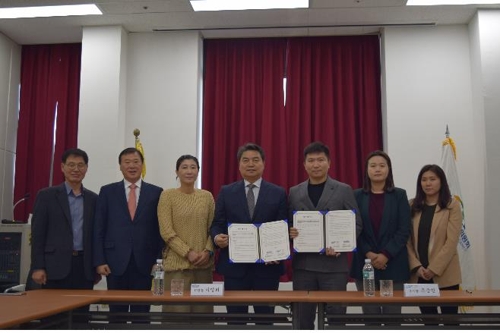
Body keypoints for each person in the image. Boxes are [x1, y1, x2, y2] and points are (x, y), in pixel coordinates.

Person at [288, 141, 362, 330]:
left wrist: (341, 245)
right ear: (304, 165)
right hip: (304, 267)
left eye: (321, 160)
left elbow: (356, 223)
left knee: (337, 320)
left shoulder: (343, 189)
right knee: (302, 320)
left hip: (334, 266)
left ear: (329, 163)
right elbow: (288, 224)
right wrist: (290, 232)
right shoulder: (294, 192)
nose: (316, 164)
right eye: (311, 160)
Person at [210, 143, 288, 320]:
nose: (250, 164)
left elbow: (284, 227)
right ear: (239, 164)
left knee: (265, 320)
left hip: (267, 269)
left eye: (255, 160)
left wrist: (278, 250)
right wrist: (217, 238)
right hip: (235, 268)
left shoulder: (278, 193)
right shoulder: (226, 192)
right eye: (245, 160)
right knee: (236, 320)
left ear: (264, 163)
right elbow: (217, 223)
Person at [93, 147, 163, 316]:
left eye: (136, 162)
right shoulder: (107, 191)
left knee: (142, 315)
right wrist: (99, 261)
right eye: (127, 162)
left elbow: (160, 230)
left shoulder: (156, 192)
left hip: (145, 263)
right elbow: (99, 228)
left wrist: (158, 260)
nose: (132, 166)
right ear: (120, 166)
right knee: (117, 315)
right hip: (114, 262)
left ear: (142, 164)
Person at [350, 150, 411, 321]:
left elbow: (404, 229)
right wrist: (369, 253)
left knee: (393, 317)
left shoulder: (399, 195)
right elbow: (354, 228)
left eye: (382, 166)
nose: (378, 169)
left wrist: (385, 254)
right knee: (371, 317)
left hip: (393, 264)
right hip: (365, 265)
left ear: (388, 170)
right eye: (373, 165)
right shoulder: (356, 195)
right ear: (367, 170)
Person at [30, 148, 98, 297]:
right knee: (54, 316)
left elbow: (96, 235)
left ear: (86, 168)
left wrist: (96, 265)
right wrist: (37, 267)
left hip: (84, 267)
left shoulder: (94, 199)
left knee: (81, 315)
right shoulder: (46, 196)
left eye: (80, 165)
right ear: (62, 167)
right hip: (54, 266)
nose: (76, 169)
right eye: (71, 165)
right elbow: (37, 234)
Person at [157, 154, 215, 313]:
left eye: (193, 167)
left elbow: (213, 228)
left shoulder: (207, 196)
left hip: (203, 267)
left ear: (198, 171)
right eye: (184, 167)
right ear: (177, 171)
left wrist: (207, 251)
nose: (189, 171)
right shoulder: (167, 195)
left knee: (203, 316)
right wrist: (187, 252)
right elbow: (166, 231)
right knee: (177, 315)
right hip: (177, 268)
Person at [407, 164, 462, 317]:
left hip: (445, 274)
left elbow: (451, 243)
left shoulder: (452, 206)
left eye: (432, 179)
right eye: (424, 180)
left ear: (441, 181)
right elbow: (406, 241)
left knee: (450, 321)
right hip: (420, 275)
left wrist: (433, 269)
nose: (428, 183)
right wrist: (417, 267)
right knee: (429, 322)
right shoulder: (412, 205)